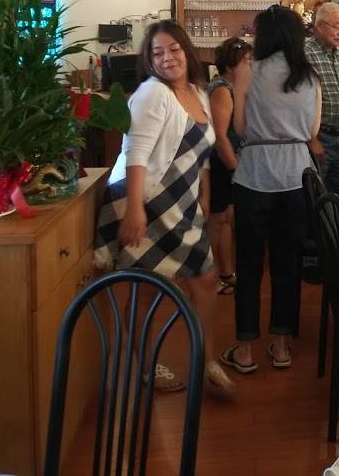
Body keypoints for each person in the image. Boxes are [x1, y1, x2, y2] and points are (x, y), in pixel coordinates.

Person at [94, 20, 235, 398]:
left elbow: (202, 151)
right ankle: (145, 364)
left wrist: (204, 191)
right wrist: (134, 210)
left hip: (182, 201)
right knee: (146, 289)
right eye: (157, 53)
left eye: (173, 49)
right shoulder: (152, 93)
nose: (167, 58)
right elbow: (135, 154)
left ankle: (206, 360)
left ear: (186, 51)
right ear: (149, 61)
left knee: (205, 278)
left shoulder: (198, 91)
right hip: (148, 198)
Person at [223, 5, 320, 375]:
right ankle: (280, 347)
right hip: (297, 176)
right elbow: (312, 131)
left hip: (254, 176)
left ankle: (245, 349)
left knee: (248, 264)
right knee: (287, 264)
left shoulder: (248, 70)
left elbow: (240, 127)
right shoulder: (309, 76)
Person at [207, 37, 252, 296]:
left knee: (226, 218)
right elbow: (220, 136)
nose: (251, 65)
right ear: (231, 64)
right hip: (220, 161)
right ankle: (209, 276)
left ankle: (226, 273)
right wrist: (235, 168)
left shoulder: (235, 87)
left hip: (231, 160)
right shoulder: (222, 89)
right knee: (216, 220)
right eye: (247, 61)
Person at [304, 2, 339, 200]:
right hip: (319, 136)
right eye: (336, 26)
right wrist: (312, 139)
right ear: (319, 25)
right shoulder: (305, 53)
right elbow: (300, 102)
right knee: (317, 196)